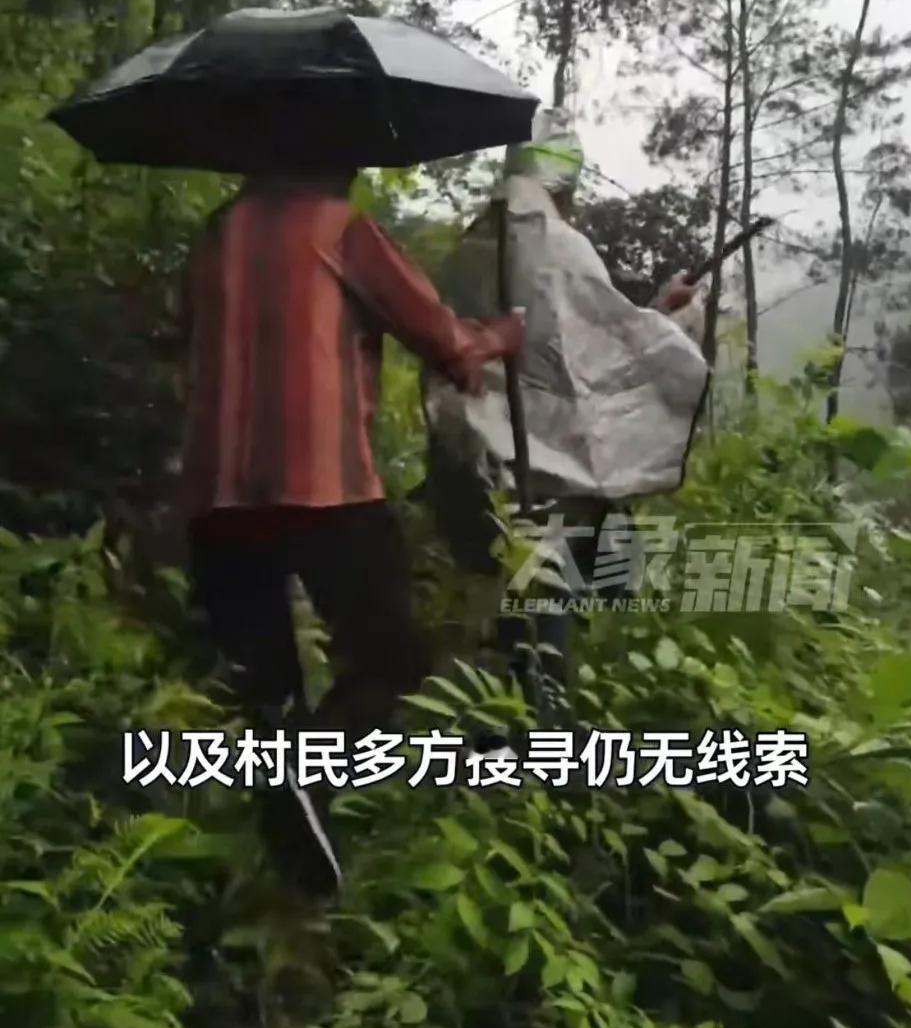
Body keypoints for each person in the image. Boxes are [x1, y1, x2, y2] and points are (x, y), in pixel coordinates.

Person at [179, 167, 525, 895]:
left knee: (266, 686)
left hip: (216, 496)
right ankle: (308, 782)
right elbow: (447, 343)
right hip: (324, 487)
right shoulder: (343, 229)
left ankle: (291, 866)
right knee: (391, 660)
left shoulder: (215, 233)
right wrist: (500, 336)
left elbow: (189, 336)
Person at [420, 110, 708, 734]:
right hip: (550, 469)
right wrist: (674, 323)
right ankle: (547, 746)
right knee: (548, 609)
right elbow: (603, 360)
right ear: (565, 182)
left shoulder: (470, 248)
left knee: (506, 602)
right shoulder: (565, 248)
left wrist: (654, 307)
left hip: (472, 463)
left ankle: (500, 734)